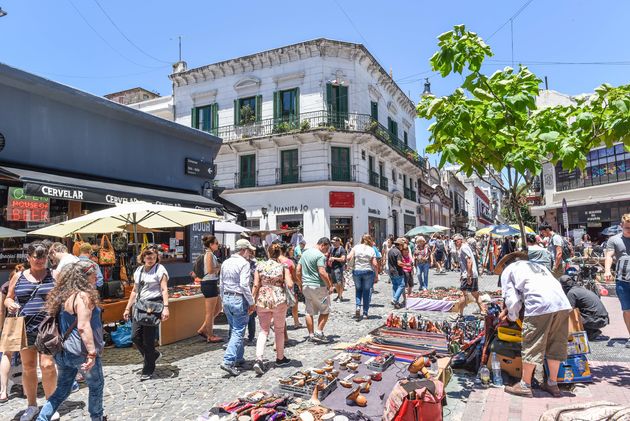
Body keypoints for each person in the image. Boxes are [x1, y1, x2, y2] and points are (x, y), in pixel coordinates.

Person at [496, 252, 572, 398]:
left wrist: (512, 317)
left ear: (506, 264)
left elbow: (512, 301)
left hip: (540, 305)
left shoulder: (509, 270)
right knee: (555, 343)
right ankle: (552, 384)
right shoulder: (538, 266)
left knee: (532, 343)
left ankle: (525, 384)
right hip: (562, 303)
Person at [36, 261, 105, 421]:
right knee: (96, 385)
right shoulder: (83, 296)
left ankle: (42, 418)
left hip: (63, 351)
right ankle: (97, 417)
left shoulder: (63, 296)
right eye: (94, 273)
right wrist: (92, 352)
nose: (96, 276)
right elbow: (82, 326)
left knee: (62, 389)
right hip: (80, 351)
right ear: (85, 276)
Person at [4, 243, 59, 421]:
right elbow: (8, 298)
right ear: (28, 258)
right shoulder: (18, 276)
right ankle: (32, 405)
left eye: (43, 257)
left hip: (47, 327)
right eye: (37, 256)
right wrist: (10, 303)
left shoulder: (53, 275)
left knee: (48, 366)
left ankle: (51, 404)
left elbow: (63, 296)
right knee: (28, 367)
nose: (41, 260)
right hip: (25, 328)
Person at [123, 246, 170, 381]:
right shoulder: (139, 270)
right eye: (148, 257)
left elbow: (164, 289)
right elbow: (134, 291)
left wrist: (165, 307)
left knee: (148, 340)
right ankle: (153, 355)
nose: (150, 260)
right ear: (143, 258)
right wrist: (127, 308)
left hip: (152, 306)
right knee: (135, 336)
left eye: (153, 258)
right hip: (139, 305)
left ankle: (148, 369)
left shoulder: (160, 269)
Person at [251, 243, 293, 375]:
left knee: (263, 330)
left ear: (268, 253)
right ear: (279, 253)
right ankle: (280, 358)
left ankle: (258, 359)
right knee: (279, 330)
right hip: (278, 300)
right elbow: (290, 284)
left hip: (263, 299)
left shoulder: (260, 266)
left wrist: (252, 300)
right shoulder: (283, 266)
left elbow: (256, 284)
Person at [218, 239, 256, 376]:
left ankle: (238, 358)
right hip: (239, 298)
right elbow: (244, 285)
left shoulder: (226, 262)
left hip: (227, 297)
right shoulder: (244, 263)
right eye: (249, 251)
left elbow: (221, 283)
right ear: (244, 250)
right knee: (238, 331)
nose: (250, 253)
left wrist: (223, 300)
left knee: (234, 328)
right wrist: (251, 302)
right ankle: (228, 361)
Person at [296, 237, 334, 343]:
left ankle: (311, 335)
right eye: (326, 249)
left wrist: (300, 283)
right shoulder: (320, 256)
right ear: (323, 245)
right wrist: (330, 285)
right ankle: (319, 332)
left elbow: (298, 270)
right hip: (318, 286)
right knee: (325, 309)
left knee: (309, 311)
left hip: (306, 286)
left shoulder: (305, 253)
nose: (326, 252)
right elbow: (322, 272)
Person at [604, 214, 630, 348]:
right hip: (623, 280)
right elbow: (608, 255)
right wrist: (607, 270)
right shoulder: (614, 240)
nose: (629, 230)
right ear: (621, 226)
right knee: (627, 310)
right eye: (627, 228)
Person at [0, 265, 23, 405]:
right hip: (27, 319)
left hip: (11, 320)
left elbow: (1, 310)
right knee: (29, 356)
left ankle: (3, 391)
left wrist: (1, 327)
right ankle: (26, 388)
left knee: (6, 354)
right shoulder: (30, 280)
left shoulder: (6, 286)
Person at [559, 275, 609, 340]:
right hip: (603, 319)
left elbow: (569, 311)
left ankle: (591, 332)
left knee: (570, 315)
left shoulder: (571, 293)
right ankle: (592, 332)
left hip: (595, 321)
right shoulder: (581, 288)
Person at [197, 235, 223, 343]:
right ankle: (210, 335)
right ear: (211, 245)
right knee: (210, 312)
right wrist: (220, 267)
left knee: (218, 308)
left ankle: (203, 329)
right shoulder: (208, 254)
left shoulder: (210, 254)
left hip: (211, 283)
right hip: (208, 283)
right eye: (216, 243)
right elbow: (210, 270)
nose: (218, 245)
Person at [347, 234, 379, 321]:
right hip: (368, 271)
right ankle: (365, 313)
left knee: (358, 290)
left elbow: (348, 257)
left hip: (357, 271)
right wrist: (376, 275)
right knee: (366, 292)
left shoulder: (356, 247)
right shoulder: (371, 249)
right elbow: (375, 264)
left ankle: (358, 307)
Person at [453, 234, 485, 316]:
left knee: (463, 294)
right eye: (454, 241)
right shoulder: (464, 248)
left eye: (456, 240)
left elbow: (469, 262)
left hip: (469, 274)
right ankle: (483, 311)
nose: (455, 242)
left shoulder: (463, 248)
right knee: (475, 294)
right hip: (471, 274)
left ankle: (459, 313)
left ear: (461, 240)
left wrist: (468, 276)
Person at [279, 243, 302, 329]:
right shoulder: (289, 261)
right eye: (292, 249)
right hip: (289, 284)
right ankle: (296, 322)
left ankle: (281, 323)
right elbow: (295, 275)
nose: (293, 251)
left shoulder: (275, 260)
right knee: (293, 303)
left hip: (279, 285)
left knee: (283, 305)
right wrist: (300, 284)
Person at [327, 237, 347, 302]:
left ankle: (340, 296)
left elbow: (343, 259)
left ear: (338, 242)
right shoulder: (331, 248)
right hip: (332, 268)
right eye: (332, 242)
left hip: (338, 267)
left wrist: (334, 258)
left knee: (339, 283)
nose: (333, 243)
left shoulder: (342, 249)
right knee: (335, 283)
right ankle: (339, 295)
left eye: (334, 242)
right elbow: (328, 255)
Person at [388, 238, 406, 309]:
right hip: (397, 271)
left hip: (391, 271)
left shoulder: (390, 251)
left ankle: (396, 303)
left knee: (395, 287)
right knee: (402, 285)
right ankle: (395, 299)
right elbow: (399, 263)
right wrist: (406, 264)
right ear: (400, 245)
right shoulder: (398, 252)